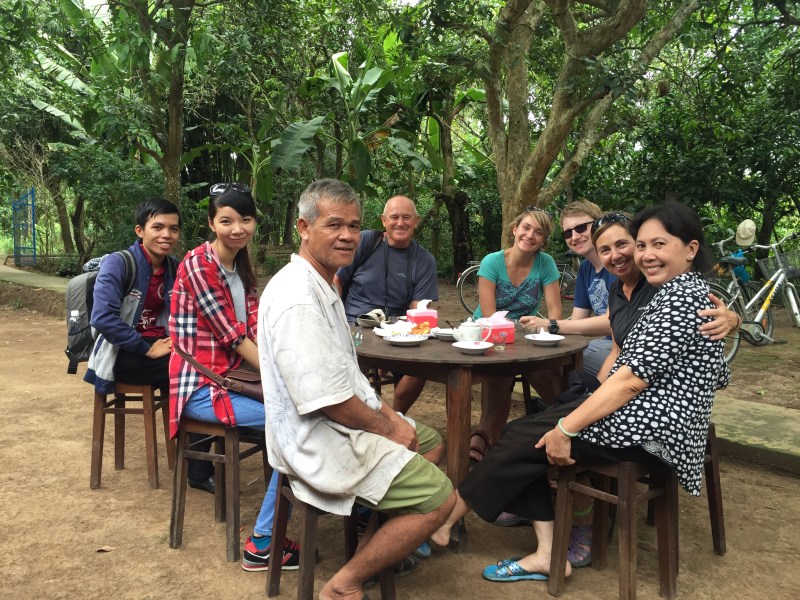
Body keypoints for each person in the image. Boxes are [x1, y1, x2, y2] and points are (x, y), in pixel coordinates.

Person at [430, 201, 732, 585]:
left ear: (690, 249)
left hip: (654, 432)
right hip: (652, 418)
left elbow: (631, 380)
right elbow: (692, 369)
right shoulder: (676, 291)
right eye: (643, 245)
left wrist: (567, 429)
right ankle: (530, 544)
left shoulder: (678, 297)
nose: (645, 254)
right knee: (527, 431)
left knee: (530, 435)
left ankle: (452, 519)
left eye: (658, 244)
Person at [259, 179, 455, 600]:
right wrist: (388, 429)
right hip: (315, 438)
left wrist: (389, 417)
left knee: (432, 440)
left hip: (335, 421)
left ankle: (370, 549)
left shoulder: (324, 282)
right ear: (304, 227)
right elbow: (328, 400)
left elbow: (345, 379)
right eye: (334, 225)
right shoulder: (298, 298)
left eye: (353, 225)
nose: (347, 235)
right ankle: (342, 585)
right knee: (441, 498)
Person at [168, 183, 299, 572]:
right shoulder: (197, 264)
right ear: (211, 223)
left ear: (254, 223)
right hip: (199, 388)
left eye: (245, 219)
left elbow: (255, 322)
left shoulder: (238, 263)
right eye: (226, 220)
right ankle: (262, 542)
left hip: (233, 377)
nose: (237, 228)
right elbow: (233, 335)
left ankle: (277, 528)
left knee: (301, 417)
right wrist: (284, 378)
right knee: (296, 420)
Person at [85, 197, 213, 492]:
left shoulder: (173, 267)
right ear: (140, 230)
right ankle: (199, 469)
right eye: (158, 227)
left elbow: (189, 312)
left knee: (205, 364)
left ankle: (197, 464)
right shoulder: (119, 263)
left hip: (161, 351)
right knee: (193, 372)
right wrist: (146, 347)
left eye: (173, 229)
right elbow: (102, 318)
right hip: (121, 355)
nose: (166, 235)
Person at [468, 206, 562, 463]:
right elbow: (488, 315)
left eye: (539, 232)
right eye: (526, 228)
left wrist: (544, 326)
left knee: (546, 370)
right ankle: (486, 433)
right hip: (488, 332)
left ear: (543, 240)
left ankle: (563, 423)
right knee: (501, 368)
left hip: (525, 335)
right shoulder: (492, 261)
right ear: (515, 229)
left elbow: (555, 314)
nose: (531, 235)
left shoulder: (545, 263)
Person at [334, 195, 438, 415]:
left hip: (396, 330)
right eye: (394, 217)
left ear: (416, 221)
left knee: (423, 366)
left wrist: (406, 332)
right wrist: (335, 319)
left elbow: (419, 309)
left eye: (406, 218)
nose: (400, 223)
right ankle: (361, 416)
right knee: (350, 360)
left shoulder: (424, 260)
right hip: (354, 326)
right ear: (383, 220)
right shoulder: (364, 242)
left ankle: (395, 417)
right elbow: (337, 281)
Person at [522, 200, 614, 377]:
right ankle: (560, 404)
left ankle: (568, 403)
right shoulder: (586, 269)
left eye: (581, 228)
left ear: (598, 225)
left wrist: (551, 325)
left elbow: (614, 322)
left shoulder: (615, 262)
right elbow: (576, 324)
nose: (575, 236)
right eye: (567, 233)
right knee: (539, 360)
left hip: (630, 347)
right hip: (606, 344)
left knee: (554, 364)